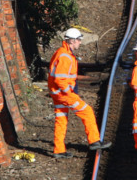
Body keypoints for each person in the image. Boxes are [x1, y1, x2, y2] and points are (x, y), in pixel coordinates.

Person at [48, 28, 112, 158]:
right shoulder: (65, 56)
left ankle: (59, 149)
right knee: (87, 111)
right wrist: (69, 93)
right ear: (72, 41)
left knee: (61, 119)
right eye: (79, 40)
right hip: (63, 93)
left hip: (56, 92)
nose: (80, 43)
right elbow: (60, 79)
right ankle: (94, 141)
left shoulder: (62, 53)